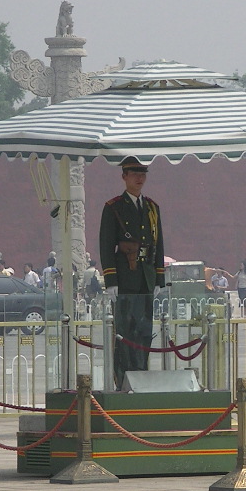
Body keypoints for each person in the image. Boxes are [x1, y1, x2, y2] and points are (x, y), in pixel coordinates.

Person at [99, 156, 165, 389]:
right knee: (125, 333)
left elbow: (158, 245)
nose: (140, 178)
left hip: (146, 279)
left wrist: (159, 278)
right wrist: (111, 280)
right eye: (134, 173)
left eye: (143, 174)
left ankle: (141, 376)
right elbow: (106, 245)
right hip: (125, 279)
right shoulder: (114, 207)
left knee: (144, 332)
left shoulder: (152, 208)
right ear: (124, 176)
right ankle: (124, 379)